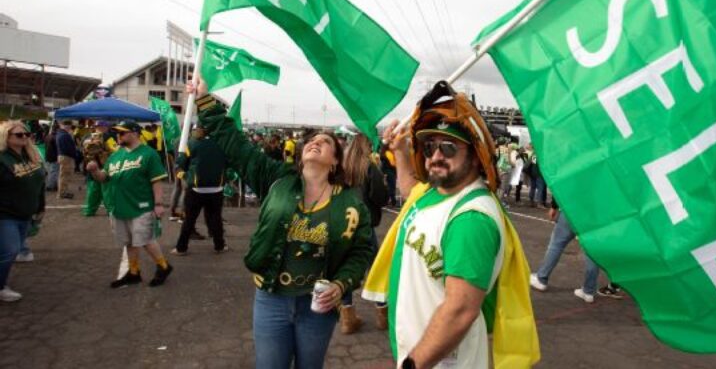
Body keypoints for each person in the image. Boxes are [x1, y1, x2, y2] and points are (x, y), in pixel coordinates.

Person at [190, 80, 374, 369]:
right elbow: (236, 145)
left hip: (318, 305)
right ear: (301, 154)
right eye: (311, 140)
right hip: (271, 298)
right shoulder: (276, 179)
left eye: (326, 143)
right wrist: (204, 101)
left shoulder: (350, 204)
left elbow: (361, 252)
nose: (316, 142)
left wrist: (341, 285)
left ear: (335, 162)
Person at [363, 81, 539, 368]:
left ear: (475, 155)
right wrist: (404, 153)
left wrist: (413, 364)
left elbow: (460, 310)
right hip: (420, 349)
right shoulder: (436, 192)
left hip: (439, 360)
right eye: (430, 147)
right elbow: (410, 194)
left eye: (448, 147)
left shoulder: (471, 218)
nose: (435, 156)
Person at [85, 121, 173, 288]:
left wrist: (159, 203)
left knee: (146, 239)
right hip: (119, 206)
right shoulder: (115, 155)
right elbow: (104, 177)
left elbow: (156, 181)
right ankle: (134, 272)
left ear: (134, 133)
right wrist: (95, 170)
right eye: (117, 133)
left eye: (122, 132)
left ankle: (164, 266)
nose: (118, 135)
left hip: (141, 205)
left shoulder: (149, 154)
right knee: (129, 241)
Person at [341, 133, 389, 333]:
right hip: (364, 223)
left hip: (343, 224)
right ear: (366, 147)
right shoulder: (369, 167)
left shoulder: (341, 167)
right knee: (375, 267)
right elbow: (380, 196)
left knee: (345, 268)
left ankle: (347, 318)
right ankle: (382, 315)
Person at [0, 121, 46, 302]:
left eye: (26, 134)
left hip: (25, 213)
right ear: (6, 137)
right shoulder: (2, 159)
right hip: (5, 214)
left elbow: (39, 185)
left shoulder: (31, 156)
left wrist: (40, 207)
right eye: (19, 135)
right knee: (10, 251)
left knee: (15, 250)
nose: (25, 137)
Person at [170, 122, 229, 255]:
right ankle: (219, 246)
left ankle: (181, 248)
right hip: (216, 189)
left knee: (189, 219)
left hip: (196, 190)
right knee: (216, 219)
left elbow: (179, 164)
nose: (195, 131)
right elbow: (228, 165)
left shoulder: (191, 144)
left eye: (197, 129)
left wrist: (185, 176)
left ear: (202, 131)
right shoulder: (221, 145)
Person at [529, 201, 601, 303]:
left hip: (573, 206)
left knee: (557, 244)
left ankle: (541, 278)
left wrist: (554, 206)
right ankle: (588, 290)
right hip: (596, 213)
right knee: (592, 251)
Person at [82, 121, 118, 217]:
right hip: (101, 166)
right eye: (101, 126)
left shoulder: (87, 137)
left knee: (97, 191)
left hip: (97, 166)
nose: (102, 128)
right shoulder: (108, 138)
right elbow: (116, 151)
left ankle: (91, 210)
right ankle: (109, 210)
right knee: (103, 191)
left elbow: (83, 150)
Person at [55, 121, 80, 199]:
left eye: (69, 125)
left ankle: (63, 192)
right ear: (61, 125)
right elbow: (69, 148)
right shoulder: (65, 135)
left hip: (63, 156)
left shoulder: (60, 134)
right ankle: (62, 193)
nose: (68, 127)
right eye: (66, 125)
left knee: (64, 175)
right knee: (65, 176)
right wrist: (75, 154)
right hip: (66, 157)